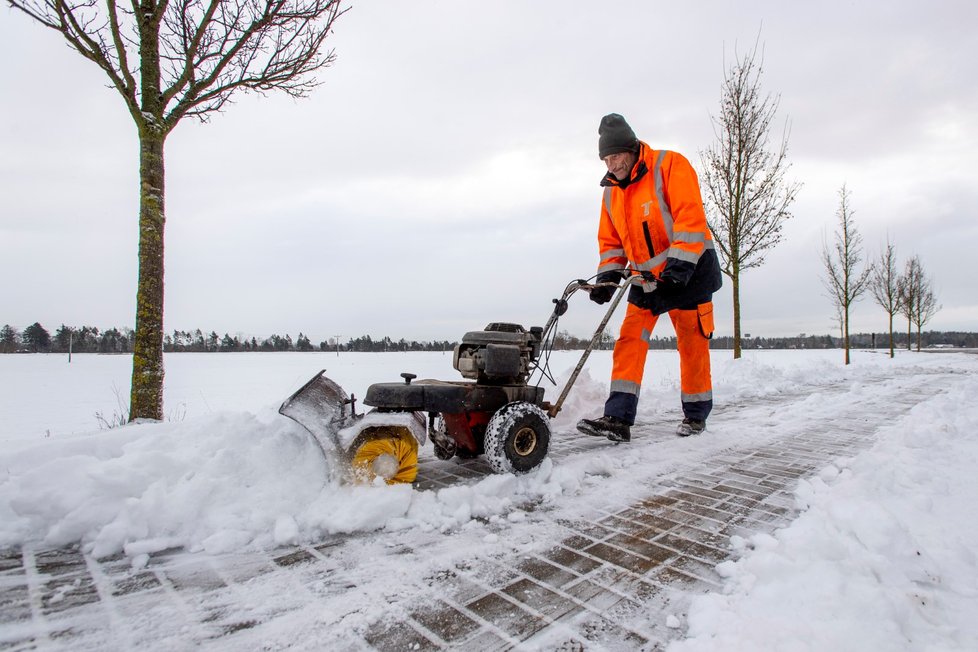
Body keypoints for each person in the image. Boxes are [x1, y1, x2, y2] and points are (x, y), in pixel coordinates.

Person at [577, 113, 722, 442]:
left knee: (691, 344)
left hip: (689, 272)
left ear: (630, 150)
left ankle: (696, 415)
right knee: (629, 340)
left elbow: (690, 216)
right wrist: (607, 280)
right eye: (605, 159)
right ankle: (617, 418)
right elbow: (612, 243)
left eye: (615, 157)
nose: (611, 165)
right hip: (644, 279)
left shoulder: (669, 166)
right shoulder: (612, 192)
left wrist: (679, 266)